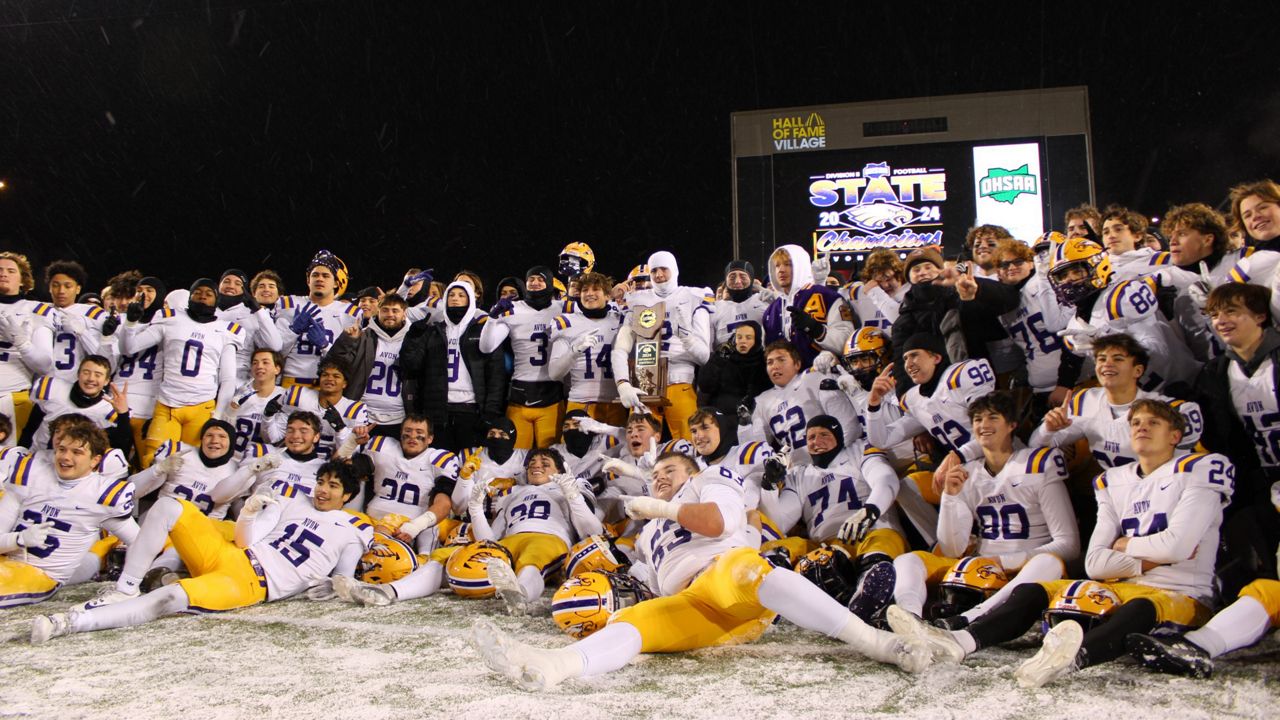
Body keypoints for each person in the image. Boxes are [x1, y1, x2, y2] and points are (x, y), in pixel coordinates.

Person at [468, 451, 931, 691]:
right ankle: (553, 668)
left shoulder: (710, 482)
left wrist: (664, 507)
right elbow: (649, 582)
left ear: (691, 472)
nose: (661, 478)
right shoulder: (649, 530)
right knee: (632, 623)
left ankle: (880, 644)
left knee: (744, 569)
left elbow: (720, 523)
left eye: (670, 469)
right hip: (698, 606)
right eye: (657, 475)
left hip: (733, 581)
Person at [888, 400, 1233, 688]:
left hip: (1181, 592)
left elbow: (1175, 548)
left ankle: (1068, 660)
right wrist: (1140, 558)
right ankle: (960, 640)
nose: (1141, 428)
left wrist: (1127, 548)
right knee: (1036, 591)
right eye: (1136, 422)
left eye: (1153, 422)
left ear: (1176, 435)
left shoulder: (1201, 469)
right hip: (1120, 585)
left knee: (1138, 608)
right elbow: (1095, 562)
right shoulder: (1113, 480)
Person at [30, 460, 372, 643]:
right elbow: (245, 541)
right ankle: (124, 588)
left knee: (168, 600)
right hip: (233, 555)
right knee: (168, 505)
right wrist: (250, 513)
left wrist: (334, 586)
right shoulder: (293, 503)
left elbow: (344, 577)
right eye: (322, 482)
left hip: (250, 585)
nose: (323, 490)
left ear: (348, 496)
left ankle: (69, 623)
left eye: (333, 486)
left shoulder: (353, 530)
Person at [892, 392, 1078, 630]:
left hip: (1026, 570)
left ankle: (970, 618)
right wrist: (950, 496)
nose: (984, 425)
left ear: (1012, 425)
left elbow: (1069, 545)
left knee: (1047, 563)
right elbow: (952, 548)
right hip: (980, 572)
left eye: (992, 418)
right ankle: (910, 619)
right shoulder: (967, 472)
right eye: (978, 419)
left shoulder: (1036, 464)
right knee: (908, 560)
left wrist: (1004, 561)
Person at [1192, 283, 1280, 595]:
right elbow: (1222, 441)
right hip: (1259, 482)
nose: (1221, 320)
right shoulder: (1216, 371)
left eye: (1232, 311)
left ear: (1259, 316)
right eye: (1215, 314)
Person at [0, 422, 139, 607]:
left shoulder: (101, 494)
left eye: (77, 452)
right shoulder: (32, 473)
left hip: (39, 573)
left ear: (95, 461)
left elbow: (140, 541)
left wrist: (132, 580)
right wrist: (19, 539)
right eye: (62, 449)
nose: (65, 457)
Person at [1048, 235, 1200, 392]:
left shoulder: (1121, 298)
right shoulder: (1075, 323)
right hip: (1136, 398)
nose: (1068, 281)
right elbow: (1072, 359)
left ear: (1099, 266)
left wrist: (1104, 342)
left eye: (1076, 271)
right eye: (1062, 276)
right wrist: (1064, 386)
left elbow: (1160, 354)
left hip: (1179, 386)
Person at [1029, 333, 1202, 469]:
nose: (1107, 364)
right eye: (1102, 359)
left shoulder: (1171, 410)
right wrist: (1048, 429)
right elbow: (1036, 446)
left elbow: (1184, 469)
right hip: (1113, 494)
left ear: (1137, 371)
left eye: (1118, 359)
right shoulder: (1084, 399)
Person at [120, 278, 244, 463]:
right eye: (197, 292)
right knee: (153, 460)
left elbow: (227, 378)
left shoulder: (226, 330)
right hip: (168, 404)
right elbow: (129, 348)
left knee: (190, 464)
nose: (202, 297)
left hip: (202, 406)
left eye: (209, 294)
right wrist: (130, 324)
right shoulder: (170, 318)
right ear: (190, 296)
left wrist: (217, 416)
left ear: (216, 300)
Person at [956, 237, 1078, 408]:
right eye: (1005, 265)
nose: (1012, 267)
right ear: (998, 271)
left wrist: (1066, 382)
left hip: (1073, 382)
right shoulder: (1003, 303)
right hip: (1038, 388)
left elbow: (1074, 333)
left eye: (1018, 262)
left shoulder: (1044, 283)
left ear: (1031, 263)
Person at [610, 251, 712, 441]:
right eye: (654, 270)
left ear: (674, 270)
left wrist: (686, 335)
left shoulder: (695, 296)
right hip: (645, 379)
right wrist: (623, 383)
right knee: (638, 444)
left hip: (679, 379)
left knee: (689, 446)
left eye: (664, 269)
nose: (658, 275)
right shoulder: (637, 299)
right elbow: (620, 348)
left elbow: (703, 357)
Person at [401, 281, 507, 452]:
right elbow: (412, 366)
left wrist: (491, 413)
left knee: (468, 466)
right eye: (451, 295)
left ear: (471, 300)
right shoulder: (433, 331)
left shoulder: (482, 332)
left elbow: (496, 375)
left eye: (461, 295)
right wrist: (413, 337)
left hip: (471, 412)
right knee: (439, 467)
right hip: (437, 412)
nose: (455, 299)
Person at [480, 266, 569, 449]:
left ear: (550, 282)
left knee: (550, 456)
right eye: (531, 279)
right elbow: (487, 347)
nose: (535, 283)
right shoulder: (513, 309)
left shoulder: (563, 308)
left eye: (541, 279)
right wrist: (492, 319)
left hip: (551, 394)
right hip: (520, 394)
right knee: (516, 456)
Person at [357, 414, 460, 553]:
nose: (413, 436)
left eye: (419, 432)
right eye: (408, 431)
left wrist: (415, 526)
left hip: (411, 522)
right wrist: (352, 443)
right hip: (372, 516)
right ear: (401, 434)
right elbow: (345, 471)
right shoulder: (382, 447)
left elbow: (444, 504)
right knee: (341, 520)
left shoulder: (438, 460)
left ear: (430, 438)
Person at [747, 340, 857, 452]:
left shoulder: (814, 377)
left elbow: (849, 425)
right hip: (794, 466)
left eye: (781, 360)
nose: (775, 366)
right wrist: (745, 425)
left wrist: (837, 455)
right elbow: (757, 449)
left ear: (797, 364)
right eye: (770, 362)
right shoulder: (762, 401)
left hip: (831, 459)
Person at [547, 272, 625, 425]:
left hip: (616, 403)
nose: (589, 294)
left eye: (596, 289)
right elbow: (554, 373)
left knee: (616, 449)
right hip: (580, 402)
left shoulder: (621, 321)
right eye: (585, 290)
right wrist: (575, 350)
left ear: (608, 295)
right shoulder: (566, 322)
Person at [326, 293, 411, 434]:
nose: (389, 314)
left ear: (404, 314)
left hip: (399, 416)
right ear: (378, 311)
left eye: (395, 310)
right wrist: (347, 341)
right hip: (362, 413)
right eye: (385, 310)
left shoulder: (413, 340)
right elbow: (334, 365)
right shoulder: (362, 336)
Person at [274, 250, 360, 387]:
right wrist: (292, 332)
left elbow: (349, 361)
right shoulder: (287, 305)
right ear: (308, 280)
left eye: (326, 275)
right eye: (315, 275)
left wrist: (326, 347)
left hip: (328, 386)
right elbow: (274, 355)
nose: (320, 279)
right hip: (290, 383)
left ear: (336, 283)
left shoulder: (351, 314)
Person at [760, 244, 852, 368]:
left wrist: (817, 330)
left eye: (788, 264)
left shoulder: (827, 296)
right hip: (785, 384)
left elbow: (846, 342)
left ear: (800, 266)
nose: (781, 270)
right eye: (777, 265)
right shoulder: (771, 311)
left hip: (821, 379)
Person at [18, 354, 132, 453]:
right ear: (78, 374)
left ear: (107, 381)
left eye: (98, 375)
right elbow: (31, 427)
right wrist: (22, 453)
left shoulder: (109, 410)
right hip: (38, 457)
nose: (91, 378)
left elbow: (121, 448)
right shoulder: (52, 389)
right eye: (86, 372)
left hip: (75, 468)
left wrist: (123, 414)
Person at [262, 359, 369, 459]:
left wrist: (340, 428)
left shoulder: (356, 410)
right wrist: (268, 416)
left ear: (345, 383)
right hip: (293, 461)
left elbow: (350, 455)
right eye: (325, 375)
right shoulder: (298, 396)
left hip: (328, 469)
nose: (329, 379)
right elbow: (271, 438)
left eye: (336, 376)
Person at [0, 251, 55, 439]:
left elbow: (44, 365)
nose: (3, 274)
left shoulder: (36, 310)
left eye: (10, 270)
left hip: (12, 396)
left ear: (23, 280)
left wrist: (22, 343)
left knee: (8, 461)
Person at [44, 260, 115, 383]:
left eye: (68, 286)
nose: (61, 291)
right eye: (55, 285)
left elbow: (104, 360)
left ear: (78, 289)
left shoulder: (93, 314)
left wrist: (82, 333)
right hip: (45, 382)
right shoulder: (38, 310)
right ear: (49, 287)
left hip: (78, 383)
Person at [214, 268, 282, 392]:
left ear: (244, 289)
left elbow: (275, 346)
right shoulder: (208, 310)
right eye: (226, 281)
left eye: (238, 283)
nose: (230, 286)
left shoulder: (253, 314)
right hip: (207, 379)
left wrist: (258, 310)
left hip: (238, 382)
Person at [696, 320, 769, 417]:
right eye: (739, 337)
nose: (743, 341)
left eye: (748, 337)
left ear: (757, 340)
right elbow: (705, 386)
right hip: (721, 419)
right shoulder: (722, 358)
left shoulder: (765, 362)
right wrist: (719, 358)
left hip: (755, 420)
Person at [229, 348, 286, 453]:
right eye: (255, 363)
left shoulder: (285, 398)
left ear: (277, 369)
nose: (259, 366)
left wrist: (268, 416)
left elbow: (273, 440)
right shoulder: (239, 391)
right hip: (233, 456)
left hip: (263, 462)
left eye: (265, 362)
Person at [841, 248, 904, 337]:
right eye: (879, 281)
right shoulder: (855, 293)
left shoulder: (912, 292)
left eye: (889, 279)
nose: (885, 285)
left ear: (899, 274)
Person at [1100, 205, 1170, 280]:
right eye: (1106, 232)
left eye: (1118, 229)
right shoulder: (1098, 272)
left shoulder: (1163, 260)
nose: (1111, 236)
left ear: (1137, 236)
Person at [711, 260, 769, 348]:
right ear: (726, 281)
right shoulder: (716, 308)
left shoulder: (763, 302)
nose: (737, 281)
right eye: (732, 277)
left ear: (751, 279)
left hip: (758, 359)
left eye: (743, 276)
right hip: (726, 360)